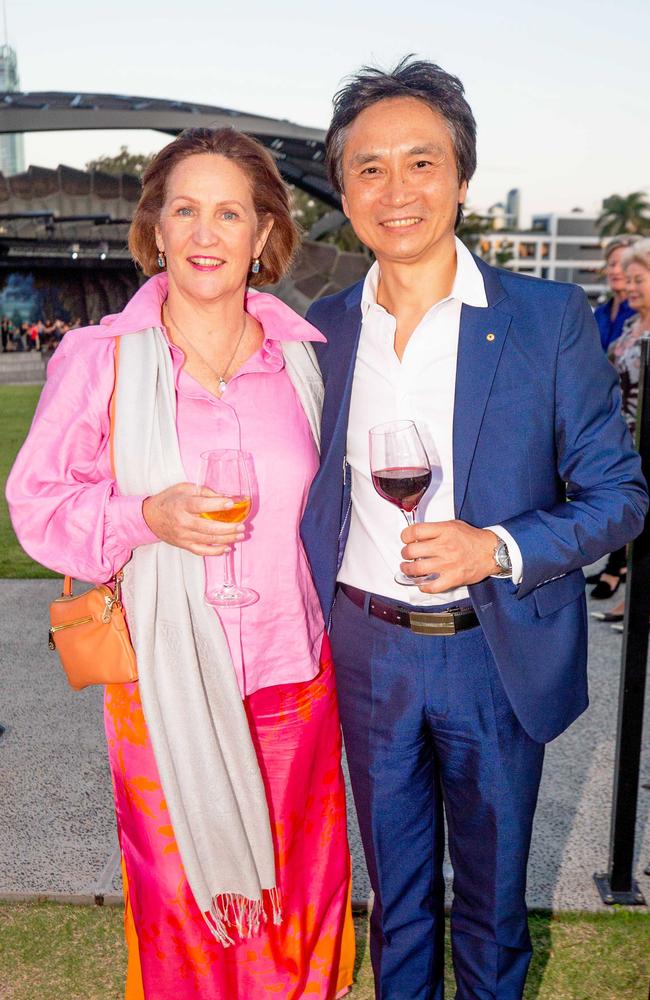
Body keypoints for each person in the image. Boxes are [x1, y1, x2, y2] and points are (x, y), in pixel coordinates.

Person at [300, 57, 647, 1000]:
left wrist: (494, 546)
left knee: (492, 915)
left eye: (422, 162)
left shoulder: (545, 318)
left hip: (492, 652)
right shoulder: (316, 329)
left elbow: (620, 493)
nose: (397, 190)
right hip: (366, 649)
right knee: (397, 906)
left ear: (461, 176)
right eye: (370, 167)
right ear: (343, 188)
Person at [7, 127, 353, 1000]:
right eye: (185, 210)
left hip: (293, 674)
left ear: (264, 234)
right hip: (161, 683)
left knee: (297, 898)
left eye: (229, 212)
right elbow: (37, 507)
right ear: (155, 230)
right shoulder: (98, 360)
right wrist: (144, 514)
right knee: (180, 907)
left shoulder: (309, 360)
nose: (206, 231)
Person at [593, 237, 650, 627]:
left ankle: (635, 604)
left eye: (637, 279)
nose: (628, 286)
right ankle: (632, 602)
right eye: (627, 279)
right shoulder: (630, 323)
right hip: (624, 435)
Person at [593, 236, 639, 352]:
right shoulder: (599, 314)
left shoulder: (643, 314)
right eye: (612, 264)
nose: (615, 271)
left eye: (623, 265)